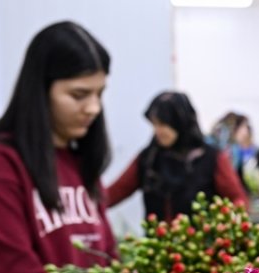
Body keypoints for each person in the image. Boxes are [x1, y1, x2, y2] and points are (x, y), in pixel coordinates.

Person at [0, 21, 119, 273]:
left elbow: (107, 260)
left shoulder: (80, 164)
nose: (93, 108)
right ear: (41, 90)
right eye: (79, 95)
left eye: (99, 94)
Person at [106, 91, 248, 221]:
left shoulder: (211, 158)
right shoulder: (149, 158)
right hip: (157, 246)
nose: (158, 131)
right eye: (154, 124)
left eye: (163, 124)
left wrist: (226, 223)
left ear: (180, 123)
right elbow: (116, 192)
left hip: (199, 245)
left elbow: (237, 199)